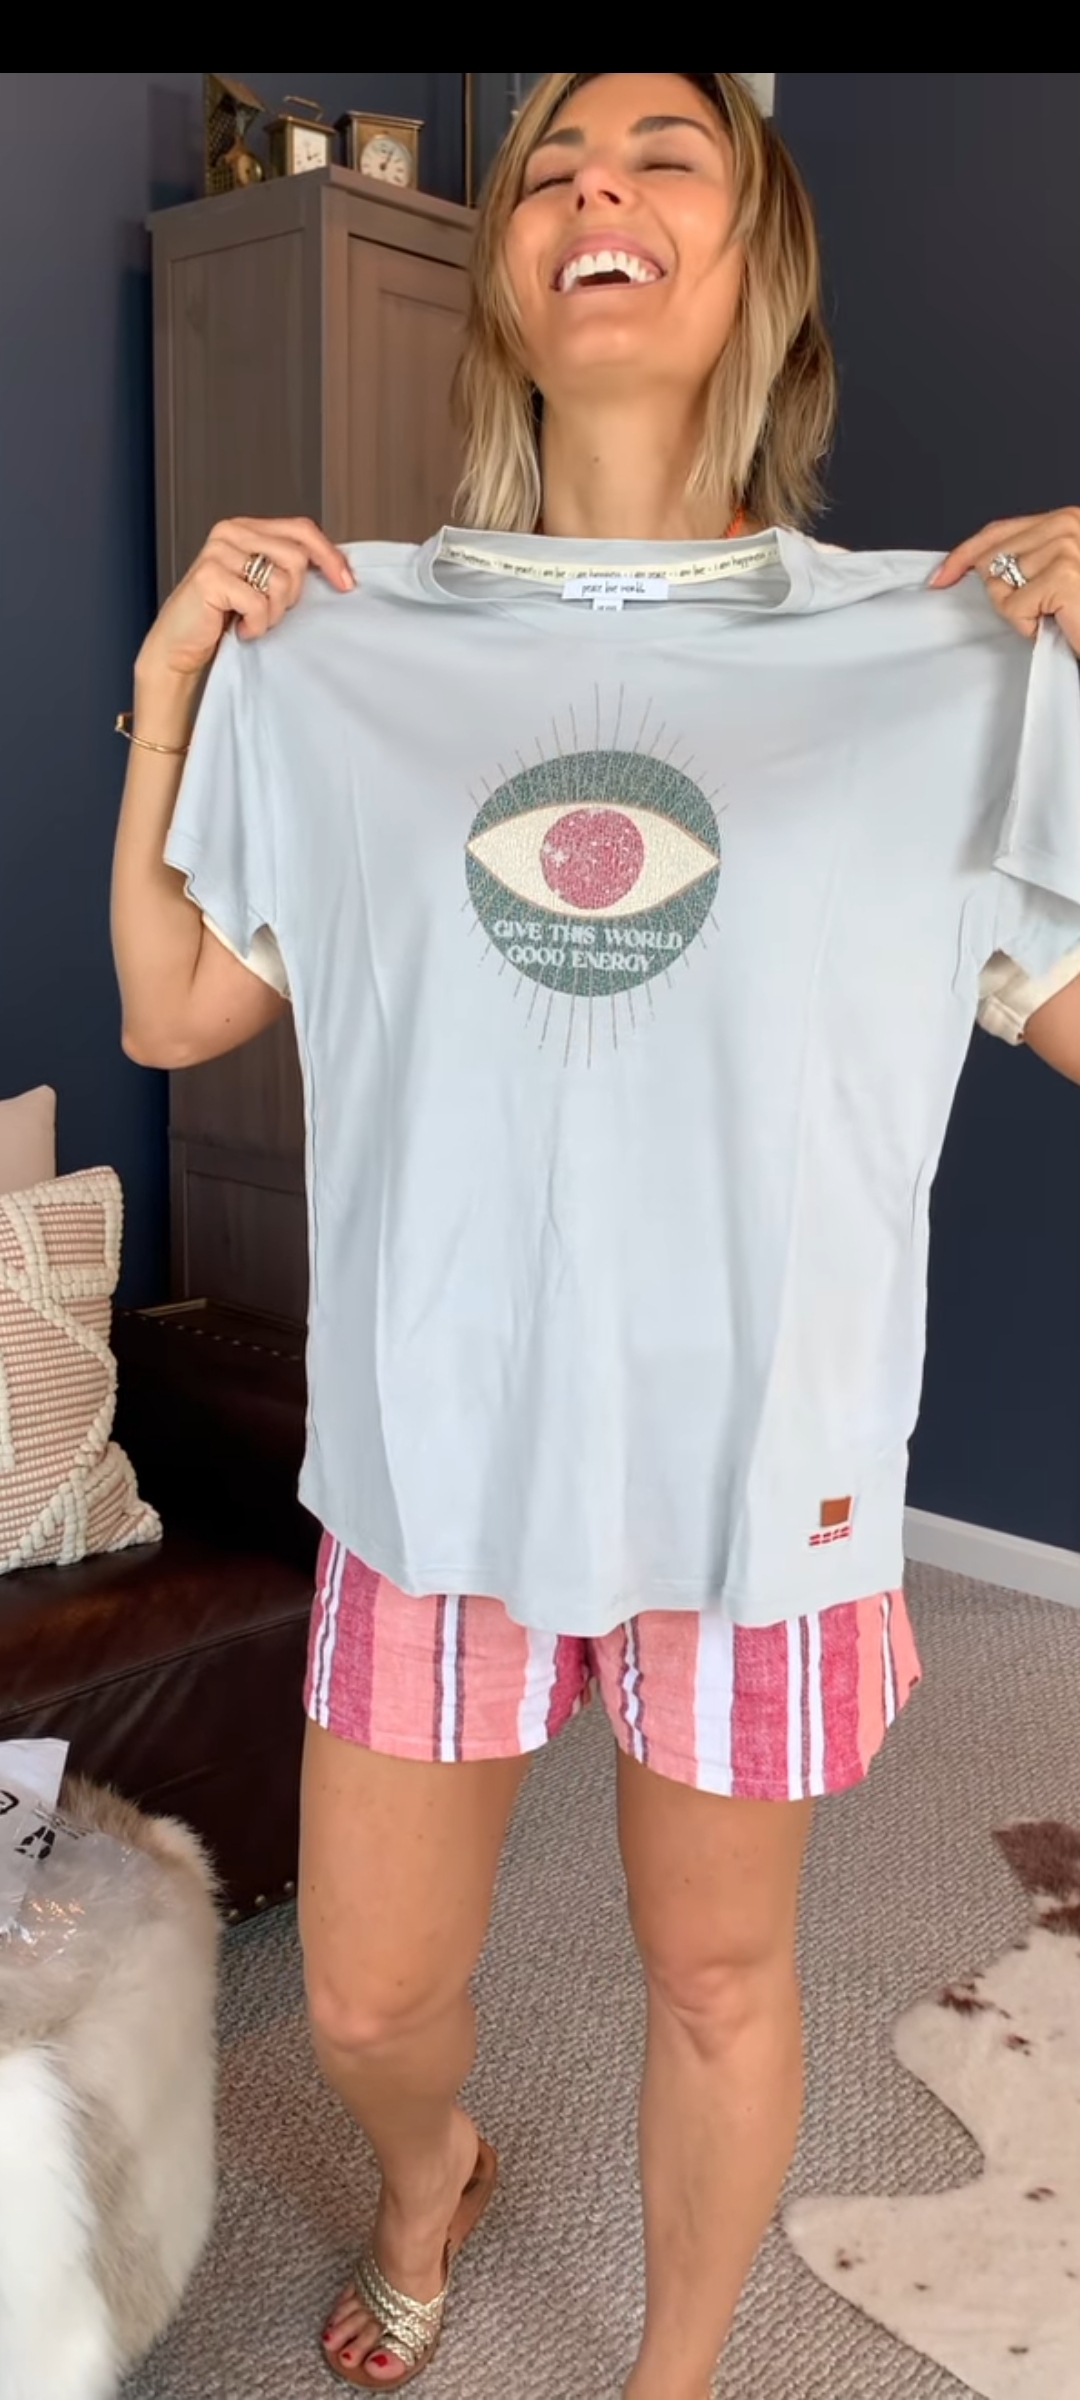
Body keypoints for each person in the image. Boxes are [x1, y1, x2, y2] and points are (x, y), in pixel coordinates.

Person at [111, 72, 1080, 2400]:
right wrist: (164, 706)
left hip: (764, 1473)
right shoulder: (347, 641)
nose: (590, 186)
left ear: (761, 267)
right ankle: (428, 2173)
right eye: (546, 162)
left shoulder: (950, 654)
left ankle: (674, 2377)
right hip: (436, 1447)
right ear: (507, 284)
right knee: (364, 1998)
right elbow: (171, 1010)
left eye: (659, 153)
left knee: (723, 1978)